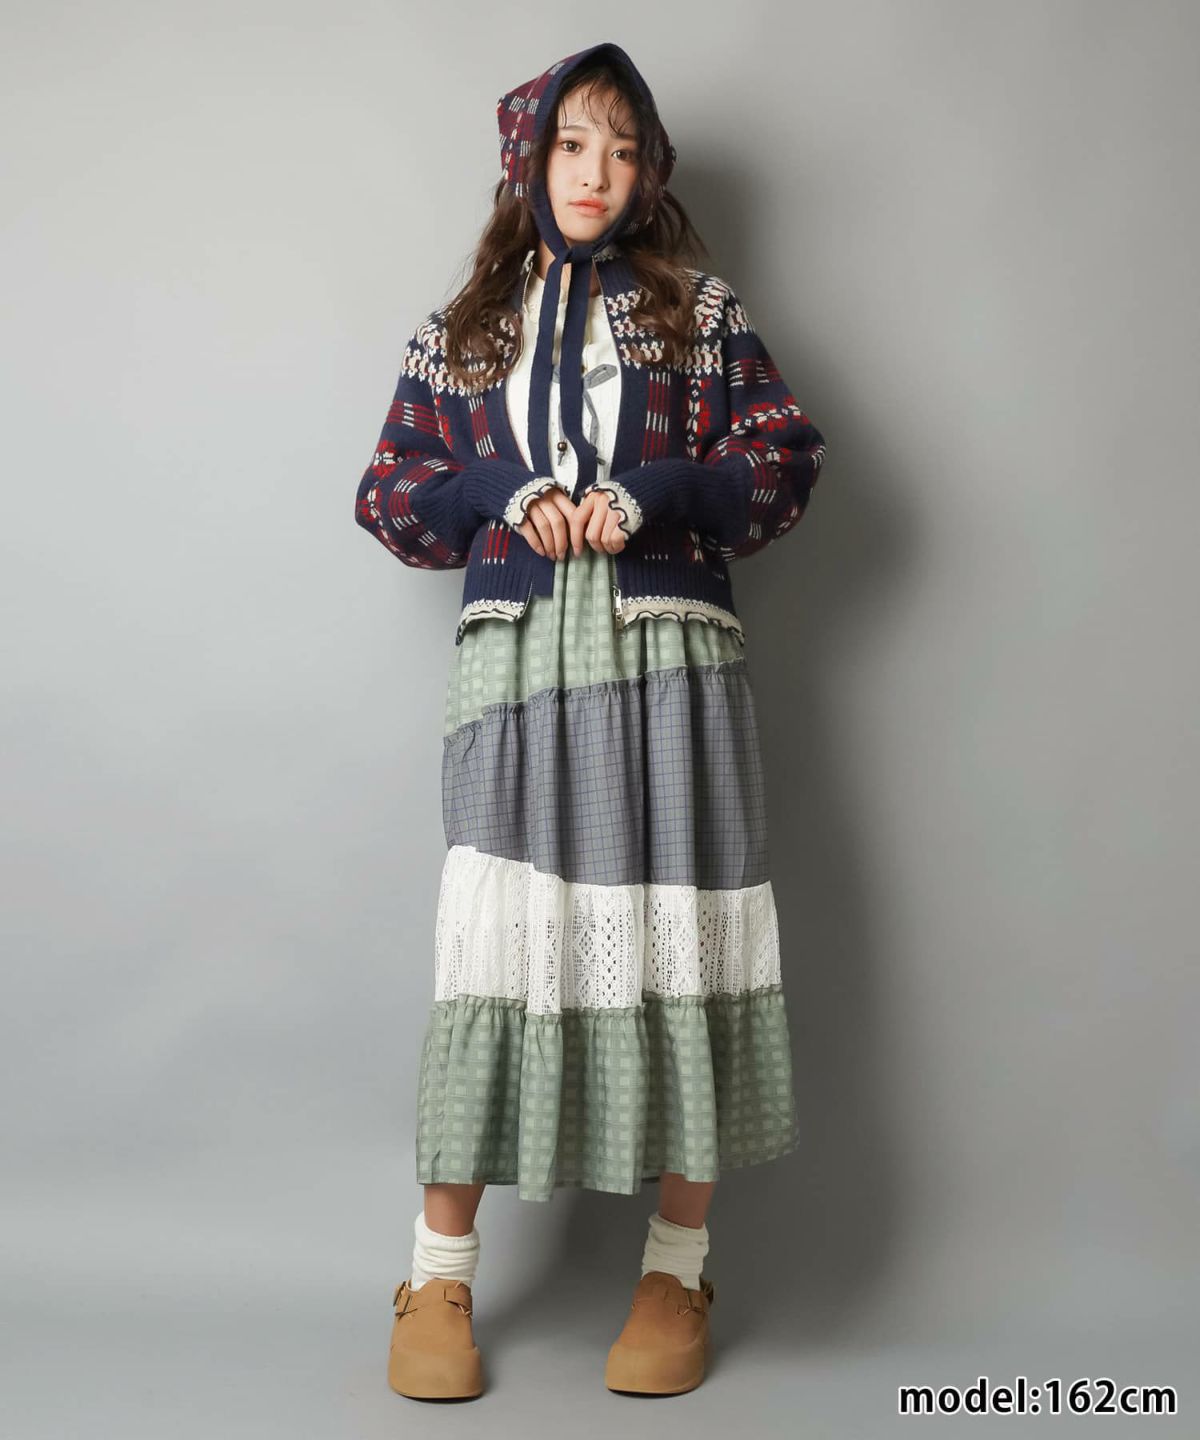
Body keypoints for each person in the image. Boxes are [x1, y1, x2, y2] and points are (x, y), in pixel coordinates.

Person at [354, 40, 828, 1401]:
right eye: (574, 144)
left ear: (649, 172)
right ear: (530, 156)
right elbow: (391, 494)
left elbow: (782, 458)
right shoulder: (466, 331)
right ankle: (437, 1278)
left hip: (670, 651)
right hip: (516, 661)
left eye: (623, 150)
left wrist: (653, 492)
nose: (596, 173)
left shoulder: (700, 312)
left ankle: (677, 1270)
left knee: (681, 932)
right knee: (496, 948)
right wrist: (496, 495)